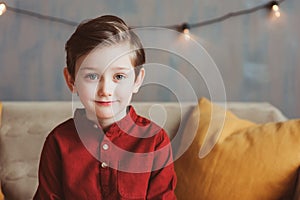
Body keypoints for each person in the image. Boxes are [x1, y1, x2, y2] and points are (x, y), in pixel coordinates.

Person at [33, 15, 177, 199]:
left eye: (118, 77)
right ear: (71, 81)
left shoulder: (155, 141)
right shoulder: (58, 141)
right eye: (92, 76)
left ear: (137, 80)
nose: (105, 90)